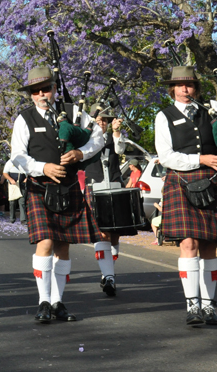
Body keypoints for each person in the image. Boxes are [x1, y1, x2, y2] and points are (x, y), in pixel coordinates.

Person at [154, 66, 217, 326]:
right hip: (181, 181)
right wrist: (200, 158)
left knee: (209, 245)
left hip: (214, 180)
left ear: (196, 88)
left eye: (189, 85)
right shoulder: (163, 116)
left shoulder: (213, 108)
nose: (185, 89)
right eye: (180, 85)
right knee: (189, 245)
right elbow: (166, 157)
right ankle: (192, 306)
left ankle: (209, 307)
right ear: (172, 88)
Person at [10, 66, 104, 324]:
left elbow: (98, 138)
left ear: (54, 89)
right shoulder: (24, 118)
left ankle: (57, 302)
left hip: (70, 186)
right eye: (35, 91)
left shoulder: (74, 112)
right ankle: (43, 301)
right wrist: (42, 167)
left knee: (63, 245)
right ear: (30, 94)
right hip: (41, 186)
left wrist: (81, 154)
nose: (42, 94)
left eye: (46, 89)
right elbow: (17, 155)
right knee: (47, 242)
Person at [83, 108, 135, 297]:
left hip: (114, 186)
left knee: (114, 235)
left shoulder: (114, 137)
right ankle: (109, 277)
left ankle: (108, 273)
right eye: (98, 120)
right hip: (95, 187)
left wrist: (116, 131)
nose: (102, 123)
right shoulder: (85, 139)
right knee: (102, 233)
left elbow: (120, 149)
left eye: (105, 120)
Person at [4, 159, 27, 225]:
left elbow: (28, 172)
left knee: (22, 202)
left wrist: (26, 178)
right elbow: (5, 173)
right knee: (12, 202)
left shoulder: (24, 161)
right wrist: (10, 180)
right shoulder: (9, 162)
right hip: (13, 185)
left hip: (22, 184)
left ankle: (23, 219)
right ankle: (12, 218)